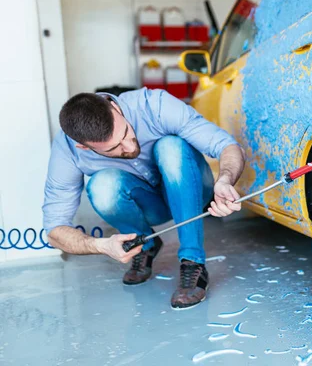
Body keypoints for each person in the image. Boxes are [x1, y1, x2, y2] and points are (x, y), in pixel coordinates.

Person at [43, 88, 245, 310]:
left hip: (194, 189)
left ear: (115, 107)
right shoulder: (68, 150)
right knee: (101, 186)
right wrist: (101, 245)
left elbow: (226, 145)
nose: (129, 147)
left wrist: (225, 180)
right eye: (114, 148)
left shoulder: (153, 104)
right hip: (151, 206)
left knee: (170, 145)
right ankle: (144, 243)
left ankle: (193, 261)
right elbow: (54, 230)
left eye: (126, 133)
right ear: (84, 146)